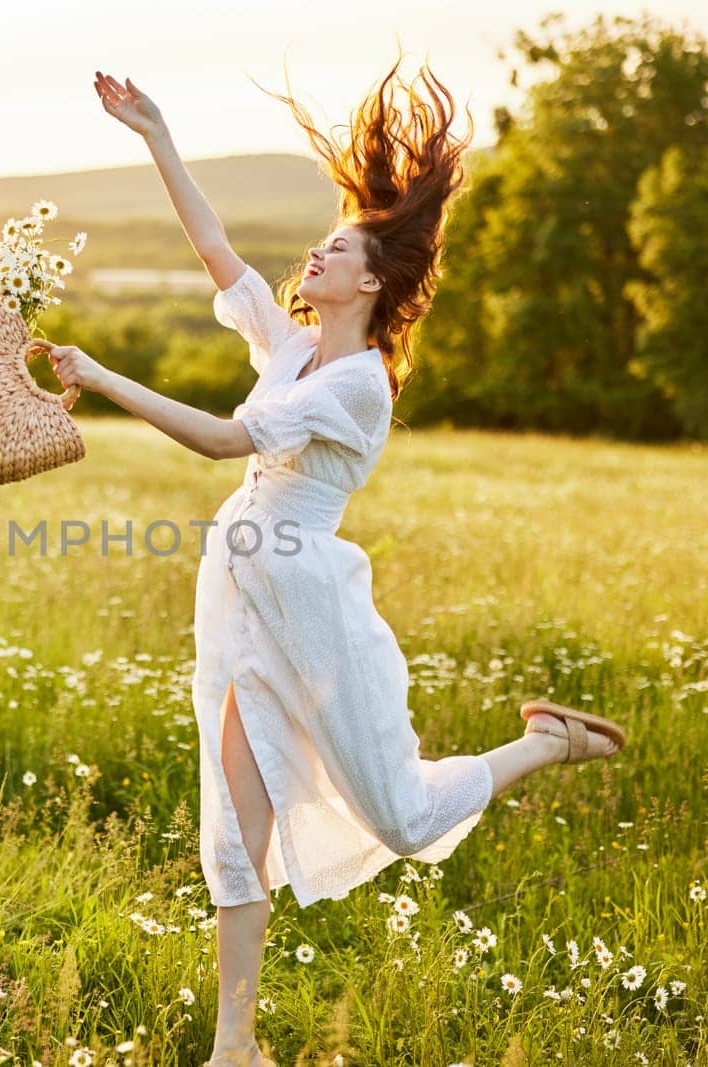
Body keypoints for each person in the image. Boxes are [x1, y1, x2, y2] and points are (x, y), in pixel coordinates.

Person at [46, 63, 629, 1067]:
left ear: (369, 283)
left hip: (306, 602)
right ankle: (237, 1047)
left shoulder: (357, 386)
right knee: (232, 826)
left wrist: (102, 376)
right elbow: (219, 252)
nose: (311, 256)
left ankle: (546, 742)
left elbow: (227, 443)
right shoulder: (291, 348)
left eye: (334, 251)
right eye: (319, 243)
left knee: (400, 816)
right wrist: (155, 132)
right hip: (239, 588)